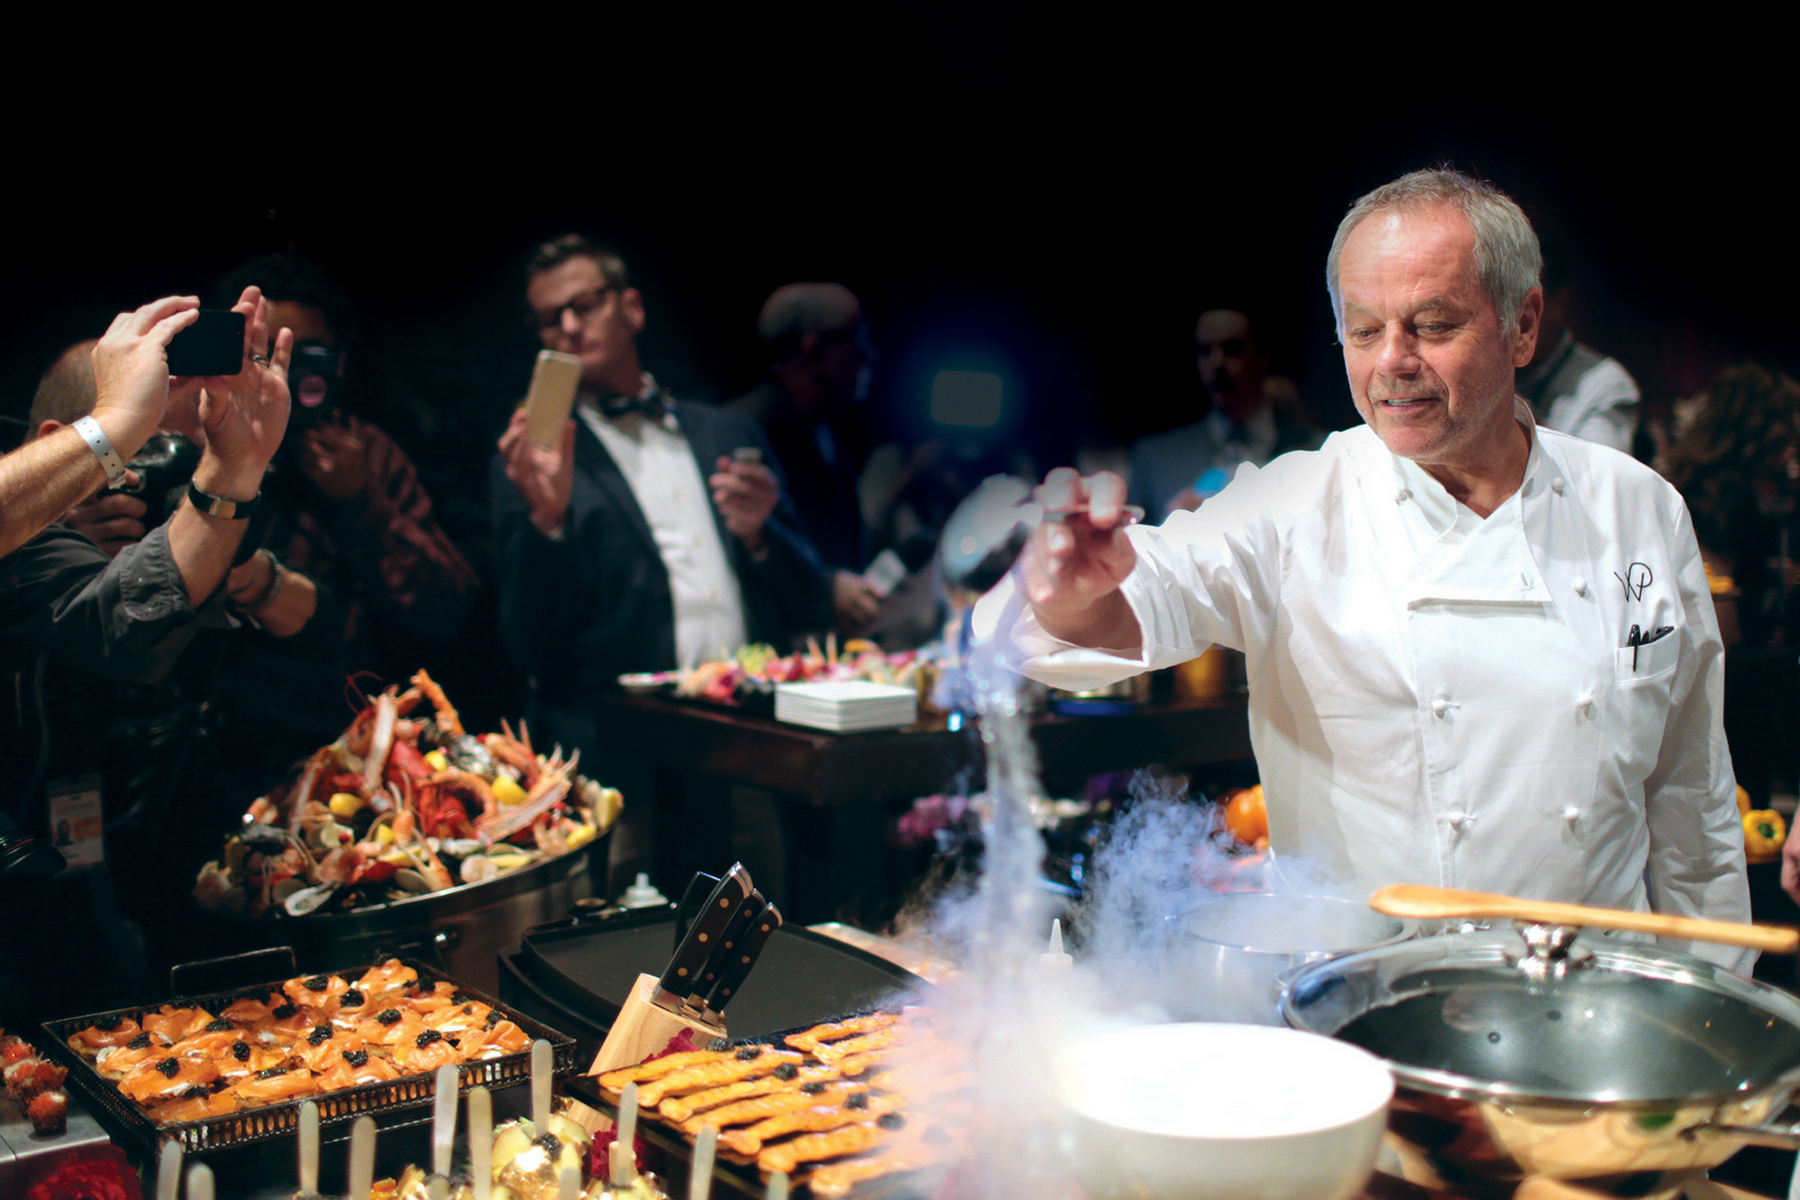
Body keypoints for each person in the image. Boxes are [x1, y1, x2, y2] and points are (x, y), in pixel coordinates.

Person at [975, 168, 1748, 967]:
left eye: (1433, 325)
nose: (1393, 361)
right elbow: (1146, 592)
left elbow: (1691, 799)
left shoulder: (1637, 508)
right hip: (1359, 1001)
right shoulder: (1295, 504)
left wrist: (1715, 1005)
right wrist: (1070, 590)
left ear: (1522, 326)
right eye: (1364, 330)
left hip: (1596, 1005)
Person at [492, 234, 830, 891]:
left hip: (743, 749)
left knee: (760, 928)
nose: (569, 326)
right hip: (621, 768)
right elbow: (529, 644)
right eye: (550, 319)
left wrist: (761, 536)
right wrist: (547, 520)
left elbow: (808, 596)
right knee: (630, 942)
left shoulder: (726, 431)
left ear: (633, 308)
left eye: (585, 303)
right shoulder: (531, 456)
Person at [730, 282, 882, 634]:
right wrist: (825, 589)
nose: (870, 356)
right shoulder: (741, 430)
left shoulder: (822, 428)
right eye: (858, 341)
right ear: (813, 350)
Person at [1128, 307, 1321, 519]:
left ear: (1263, 356)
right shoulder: (1156, 459)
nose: (1217, 363)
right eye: (1205, 351)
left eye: (1233, 348)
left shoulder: (1319, 453)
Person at [1514, 233, 1641, 455]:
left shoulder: (1607, 384)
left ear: (1559, 300)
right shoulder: (1480, 366)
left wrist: (1510, 411)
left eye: (1520, 302)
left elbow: (1597, 471)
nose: (1508, 317)